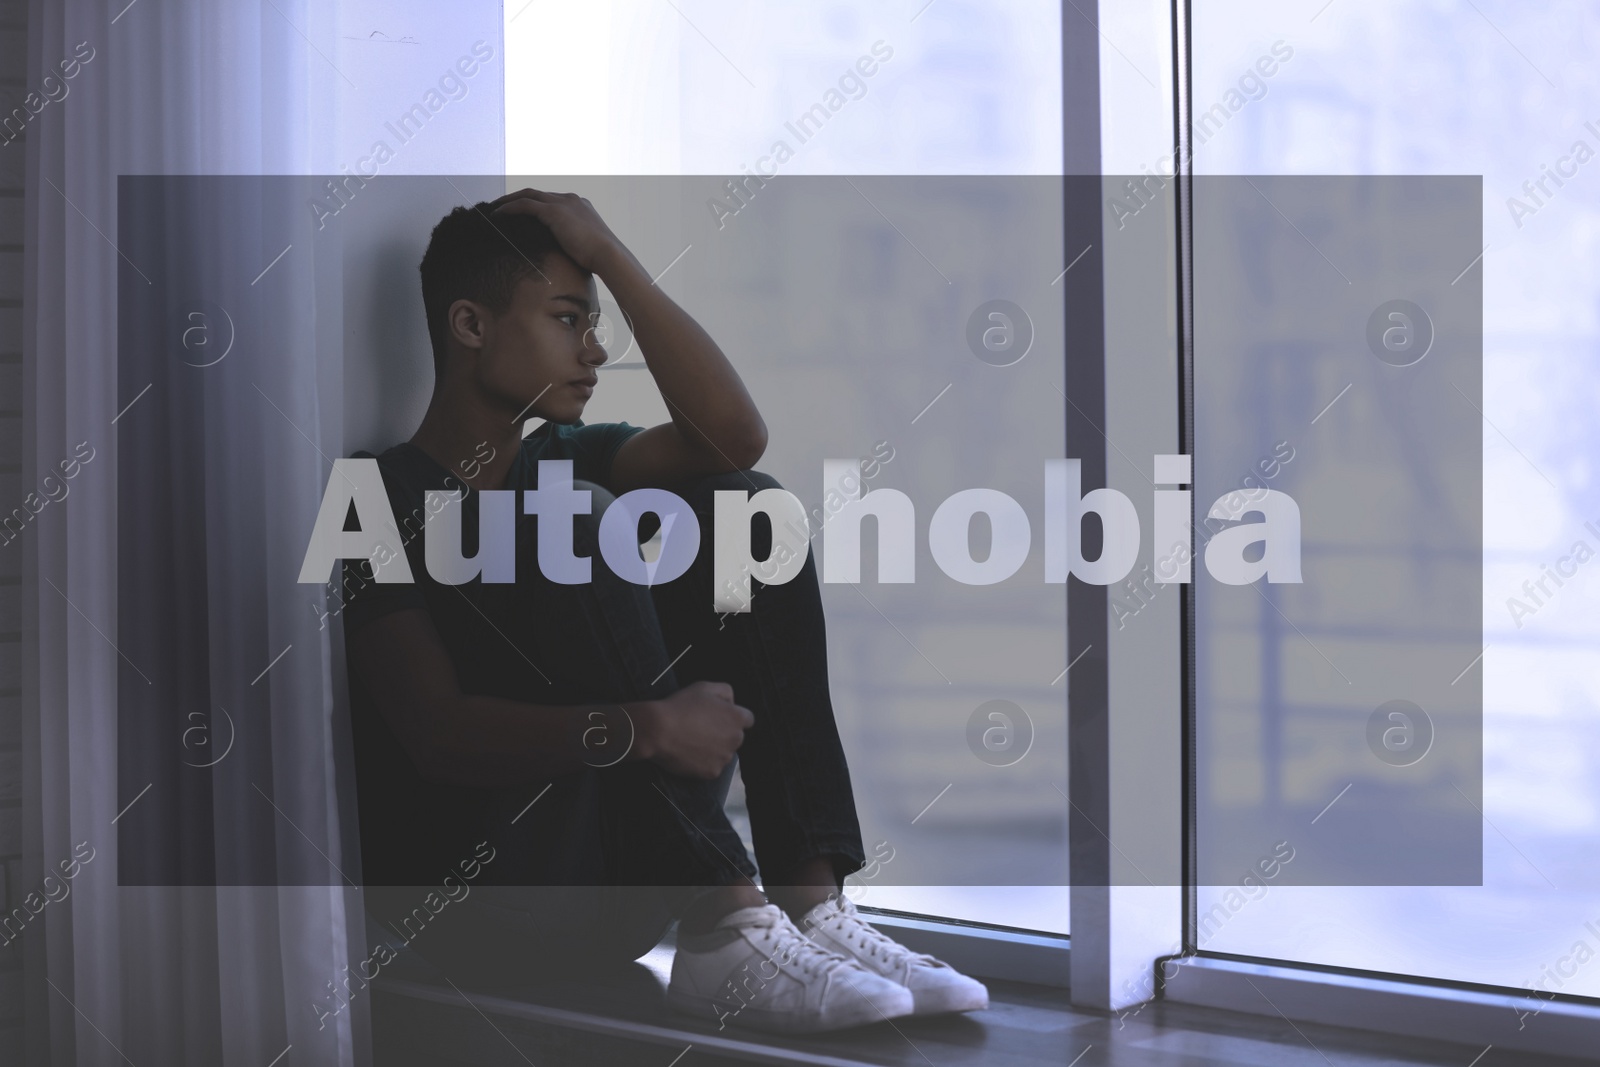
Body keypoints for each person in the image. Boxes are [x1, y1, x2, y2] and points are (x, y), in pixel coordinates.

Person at [341, 189, 988, 1034]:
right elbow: (434, 729)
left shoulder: (567, 458)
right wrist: (639, 725)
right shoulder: (370, 498)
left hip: (617, 879)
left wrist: (608, 252)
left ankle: (802, 905)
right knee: (573, 519)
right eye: (568, 319)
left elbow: (734, 440)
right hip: (484, 903)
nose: (596, 348)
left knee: (746, 512)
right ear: (471, 325)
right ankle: (725, 913)